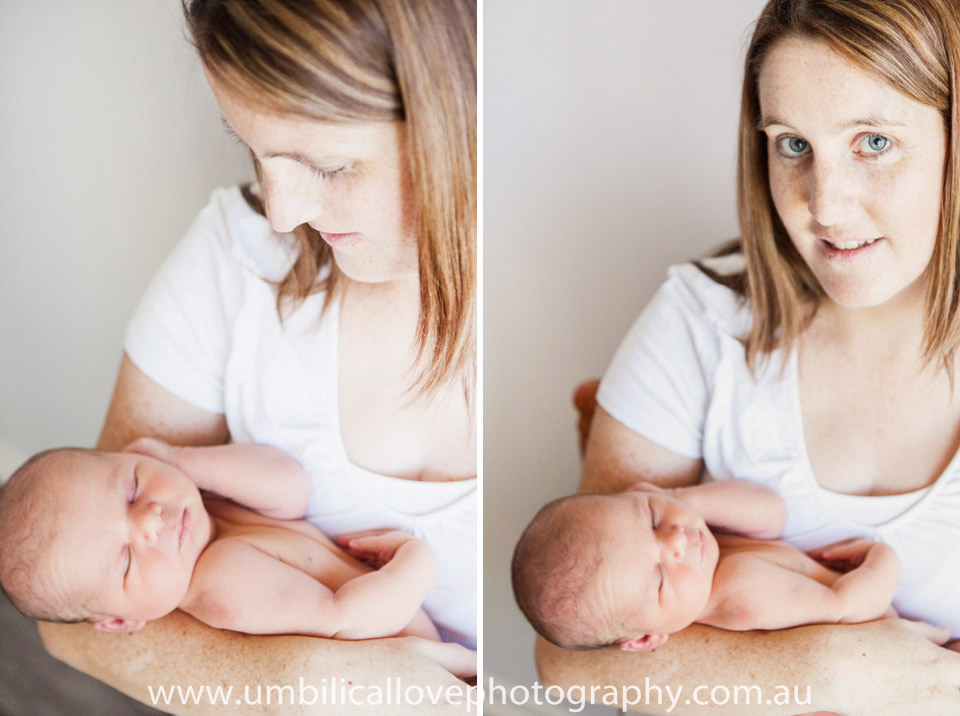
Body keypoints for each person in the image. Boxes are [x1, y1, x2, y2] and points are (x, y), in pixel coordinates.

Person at [37, 0, 477, 713]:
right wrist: (305, 684)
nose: (279, 214)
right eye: (256, 149)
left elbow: (287, 489)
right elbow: (75, 629)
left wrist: (186, 463)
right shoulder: (232, 261)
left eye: (327, 164)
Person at [533, 0, 960, 713]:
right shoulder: (701, 321)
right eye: (792, 144)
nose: (824, 205)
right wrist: (830, 668)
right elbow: (574, 659)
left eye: (874, 143)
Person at [1, 440, 443, 642]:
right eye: (126, 561)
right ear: (121, 622)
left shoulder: (210, 515)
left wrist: (182, 461)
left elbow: (291, 487)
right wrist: (417, 562)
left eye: (132, 489)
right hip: (410, 657)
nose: (148, 519)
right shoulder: (220, 580)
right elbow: (343, 615)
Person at [513, 479, 901, 652]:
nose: (676, 540)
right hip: (888, 636)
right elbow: (845, 608)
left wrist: (677, 498)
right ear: (647, 639)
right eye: (660, 578)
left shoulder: (709, 556)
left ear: (639, 492)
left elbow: (771, 511)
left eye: (650, 517)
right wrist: (884, 559)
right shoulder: (738, 589)